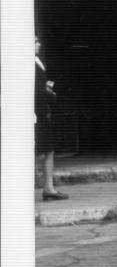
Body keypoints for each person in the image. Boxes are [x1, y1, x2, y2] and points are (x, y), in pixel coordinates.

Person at [35, 35, 69, 201]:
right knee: (38, 152)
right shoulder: (27, 63)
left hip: (42, 112)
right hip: (35, 113)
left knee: (48, 149)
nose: (39, 44)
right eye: (35, 42)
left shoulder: (36, 61)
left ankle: (49, 188)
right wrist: (49, 93)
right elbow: (36, 90)